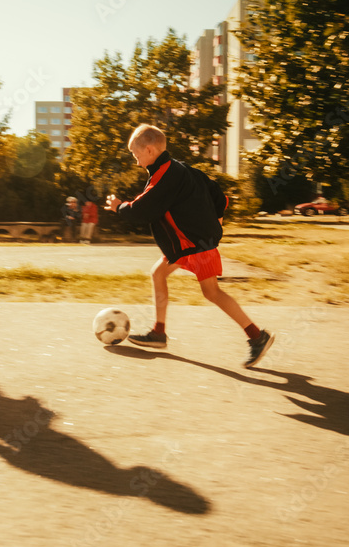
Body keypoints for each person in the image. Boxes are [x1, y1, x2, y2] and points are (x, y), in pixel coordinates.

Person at [105, 124, 274, 368]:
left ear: (150, 150)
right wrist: (216, 221)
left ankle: (257, 336)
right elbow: (218, 194)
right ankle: (158, 333)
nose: (137, 161)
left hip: (194, 244)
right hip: (188, 243)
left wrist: (118, 207)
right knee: (158, 273)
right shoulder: (181, 168)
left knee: (212, 293)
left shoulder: (165, 175)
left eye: (136, 155)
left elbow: (142, 209)